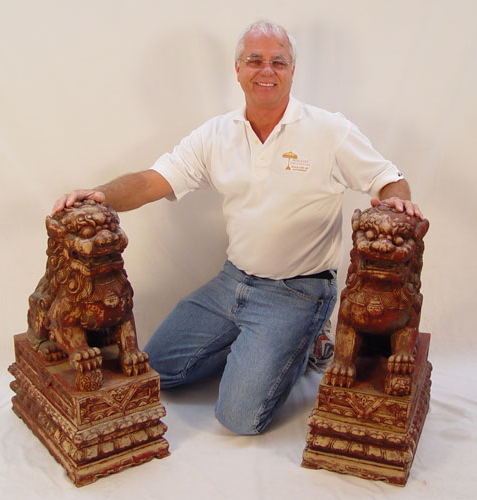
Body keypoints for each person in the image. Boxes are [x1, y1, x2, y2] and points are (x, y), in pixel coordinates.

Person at [52, 21, 422, 435]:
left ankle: (308, 340)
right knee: (156, 370)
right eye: (255, 60)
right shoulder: (216, 134)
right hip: (232, 282)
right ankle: (258, 342)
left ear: (293, 70)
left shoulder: (329, 131)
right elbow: (154, 181)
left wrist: (397, 202)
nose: (267, 70)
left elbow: (388, 179)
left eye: (278, 62)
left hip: (297, 291)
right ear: (238, 69)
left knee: (239, 418)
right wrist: (100, 195)